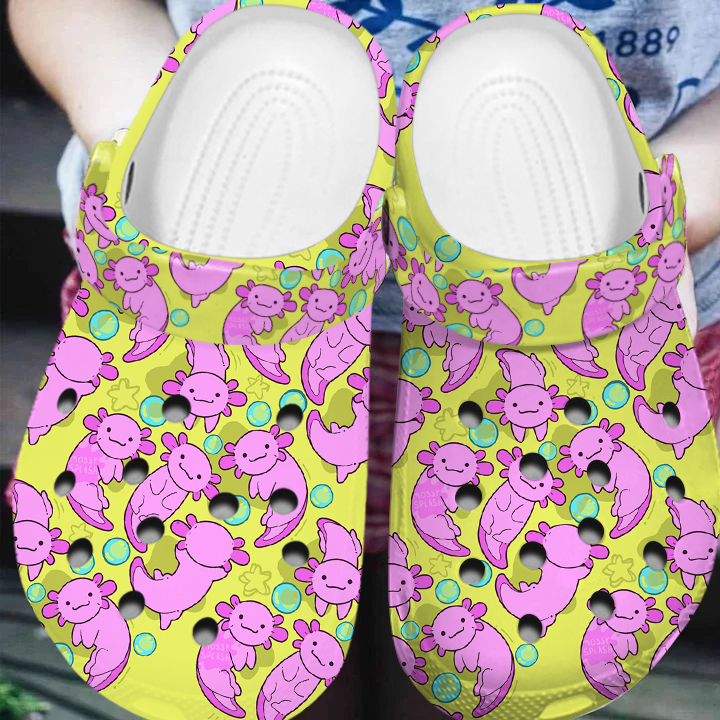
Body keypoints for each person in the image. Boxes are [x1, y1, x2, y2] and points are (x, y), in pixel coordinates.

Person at [8, 2, 720, 717]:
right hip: (189, 271)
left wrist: (678, 201)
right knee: (263, 669)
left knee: (474, 673)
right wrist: (138, 133)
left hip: (602, 275)